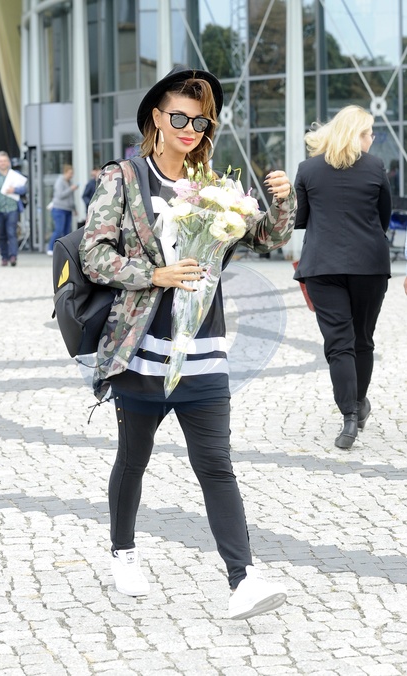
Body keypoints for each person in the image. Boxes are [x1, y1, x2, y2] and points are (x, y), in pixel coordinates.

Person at [79, 65, 297, 620]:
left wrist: (282, 202)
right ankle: (123, 552)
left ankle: (243, 579)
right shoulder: (124, 179)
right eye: (179, 118)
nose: (189, 129)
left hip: (202, 350)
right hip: (141, 350)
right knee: (134, 459)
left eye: (200, 122)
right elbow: (94, 255)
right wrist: (155, 275)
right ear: (156, 117)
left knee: (216, 464)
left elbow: (265, 237)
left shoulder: (213, 188)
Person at [293, 105, 392, 449]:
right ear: (357, 135)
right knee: (362, 339)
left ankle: (349, 416)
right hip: (370, 264)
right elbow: (383, 216)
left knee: (339, 343)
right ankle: (359, 406)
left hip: (323, 266)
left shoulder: (307, 169)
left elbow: (300, 219)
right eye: (369, 133)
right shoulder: (376, 166)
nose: (372, 139)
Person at [0, 151, 28, 267]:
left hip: (12, 208)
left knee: (11, 232)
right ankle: (4, 257)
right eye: (0, 161)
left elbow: (24, 188)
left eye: (4, 161)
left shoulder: (15, 175)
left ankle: (13, 256)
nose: (2, 163)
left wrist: (15, 190)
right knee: (2, 234)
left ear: (8, 162)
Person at [47, 164, 78, 255]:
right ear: (65, 172)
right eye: (70, 173)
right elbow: (60, 195)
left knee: (67, 232)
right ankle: (50, 248)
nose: (71, 175)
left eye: (72, 173)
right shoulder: (60, 181)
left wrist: (74, 208)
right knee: (59, 230)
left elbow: (71, 198)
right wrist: (71, 189)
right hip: (59, 209)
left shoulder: (70, 182)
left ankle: (65, 250)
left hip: (68, 209)